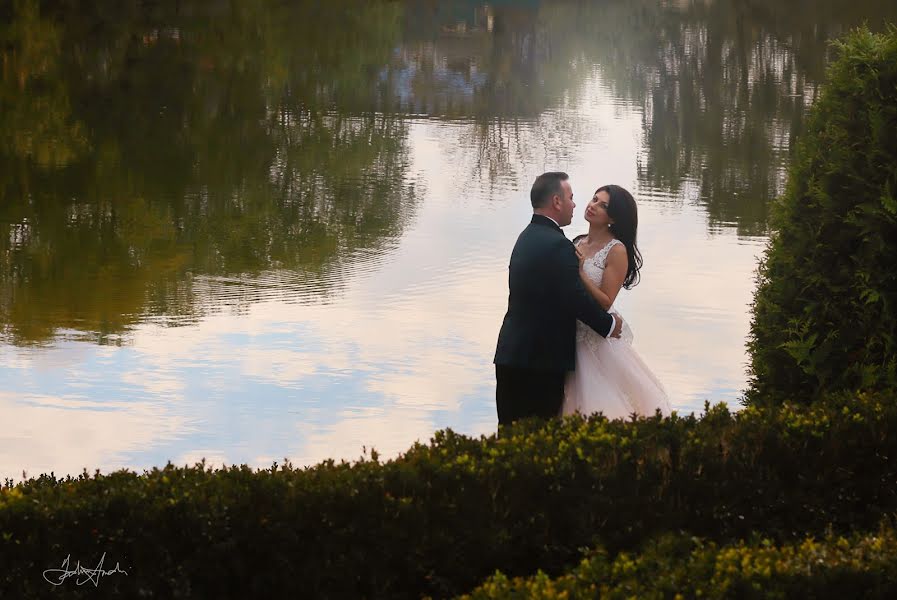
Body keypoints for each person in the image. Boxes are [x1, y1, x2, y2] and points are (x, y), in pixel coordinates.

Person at [494, 172, 623, 427]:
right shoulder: (558, 245)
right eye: (571, 198)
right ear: (556, 202)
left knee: (508, 443)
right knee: (540, 445)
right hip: (540, 365)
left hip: (511, 355)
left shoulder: (526, 236)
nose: (576, 204)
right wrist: (608, 325)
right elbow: (573, 297)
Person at [562, 184, 671, 419]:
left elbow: (605, 301)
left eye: (603, 206)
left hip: (595, 342)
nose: (593, 206)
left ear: (612, 218)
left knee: (599, 410)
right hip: (568, 336)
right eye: (593, 199)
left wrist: (580, 273)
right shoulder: (576, 242)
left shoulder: (616, 250)